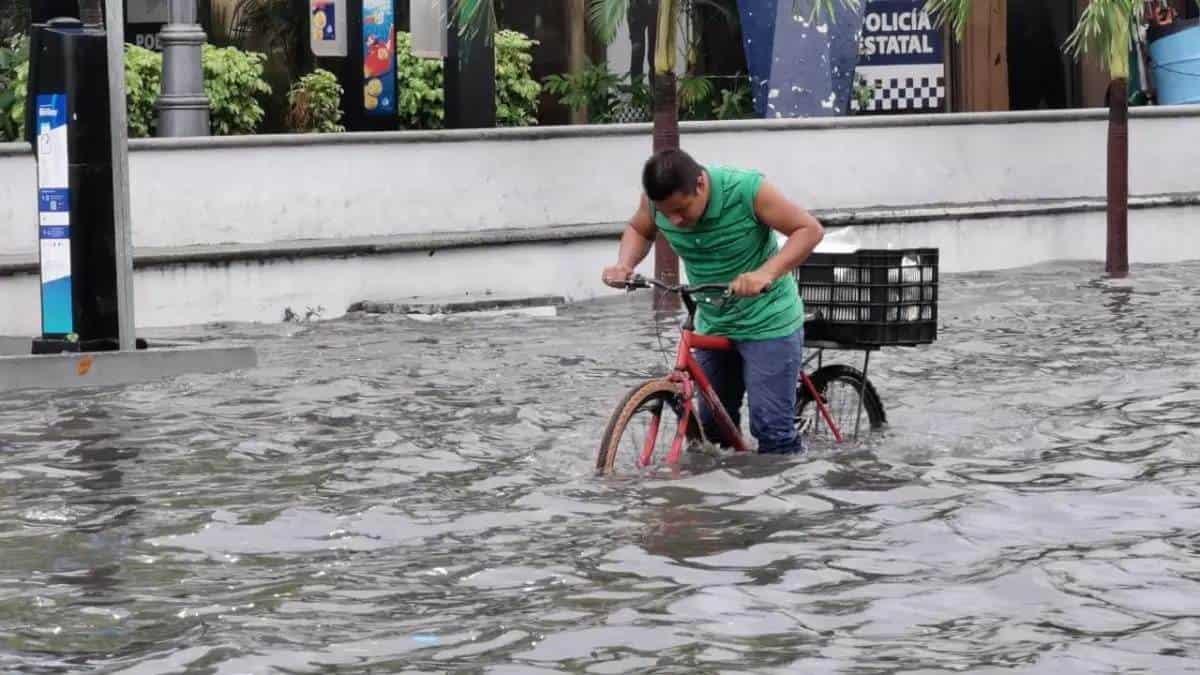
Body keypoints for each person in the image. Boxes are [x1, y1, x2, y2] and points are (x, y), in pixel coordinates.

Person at [601, 148, 825, 455]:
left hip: (768, 319)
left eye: (681, 209)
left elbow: (809, 230)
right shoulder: (655, 205)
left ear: (701, 185)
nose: (675, 221)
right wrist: (624, 265)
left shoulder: (748, 190)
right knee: (712, 432)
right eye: (666, 214)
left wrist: (765, 273)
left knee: (772, 431)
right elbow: (639, 229)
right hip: (713, 319)